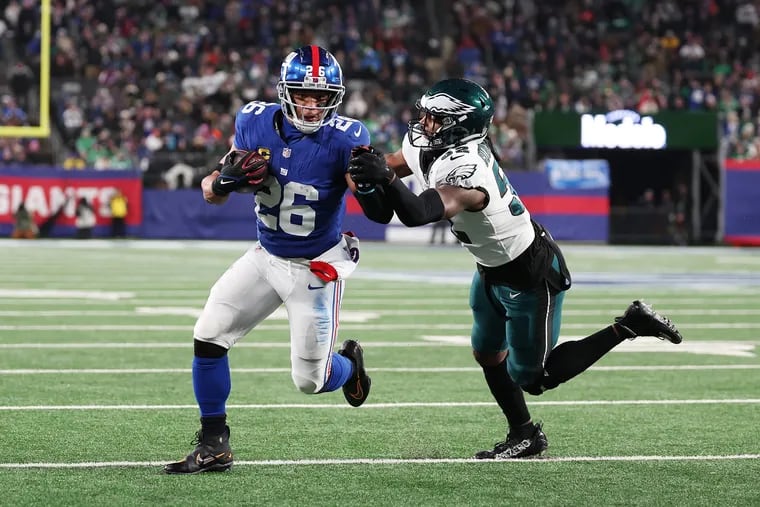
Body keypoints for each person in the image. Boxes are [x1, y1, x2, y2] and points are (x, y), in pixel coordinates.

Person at [347, 78, 683, 459]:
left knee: (535, 378)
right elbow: (386, 168)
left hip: (529, 272)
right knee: (487, 353)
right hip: (490, 266)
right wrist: (358, 167)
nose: (424, 124)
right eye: (425, 114)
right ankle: (524, 433)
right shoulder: (432, 143)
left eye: (435, 118)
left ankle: (629, 325)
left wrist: (385, 179)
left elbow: (417, 212)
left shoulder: (468, 167)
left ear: (460, 125)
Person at [164, 45, 372, 475]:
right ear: (285, 91)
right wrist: (227, 179)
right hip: (266, 254)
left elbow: (368, 199)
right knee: (209, 333)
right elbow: (213, 190)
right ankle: (214, 442)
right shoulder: (253, 121)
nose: (312, 105)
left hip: (315, 266)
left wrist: (377, 183)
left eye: (321, 95)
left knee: (309, 381)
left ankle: (349, 365)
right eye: (304, 93)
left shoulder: (346, 138)